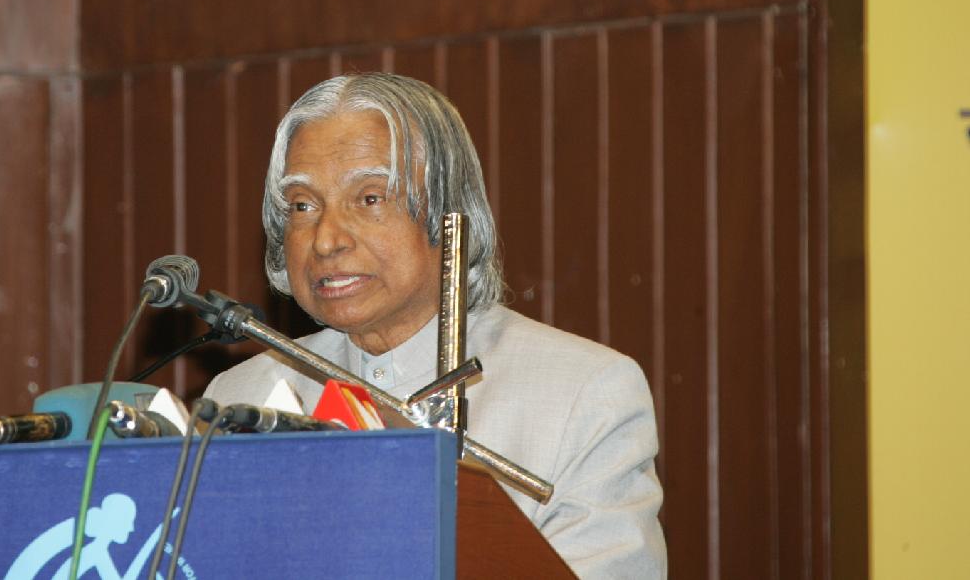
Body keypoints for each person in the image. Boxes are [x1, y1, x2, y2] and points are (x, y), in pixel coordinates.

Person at [204, 73, 666, 577]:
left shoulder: (582, 394)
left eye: (369, 198)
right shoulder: (240, 396)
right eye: (302, 206)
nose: (326, 239)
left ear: (450, 213)